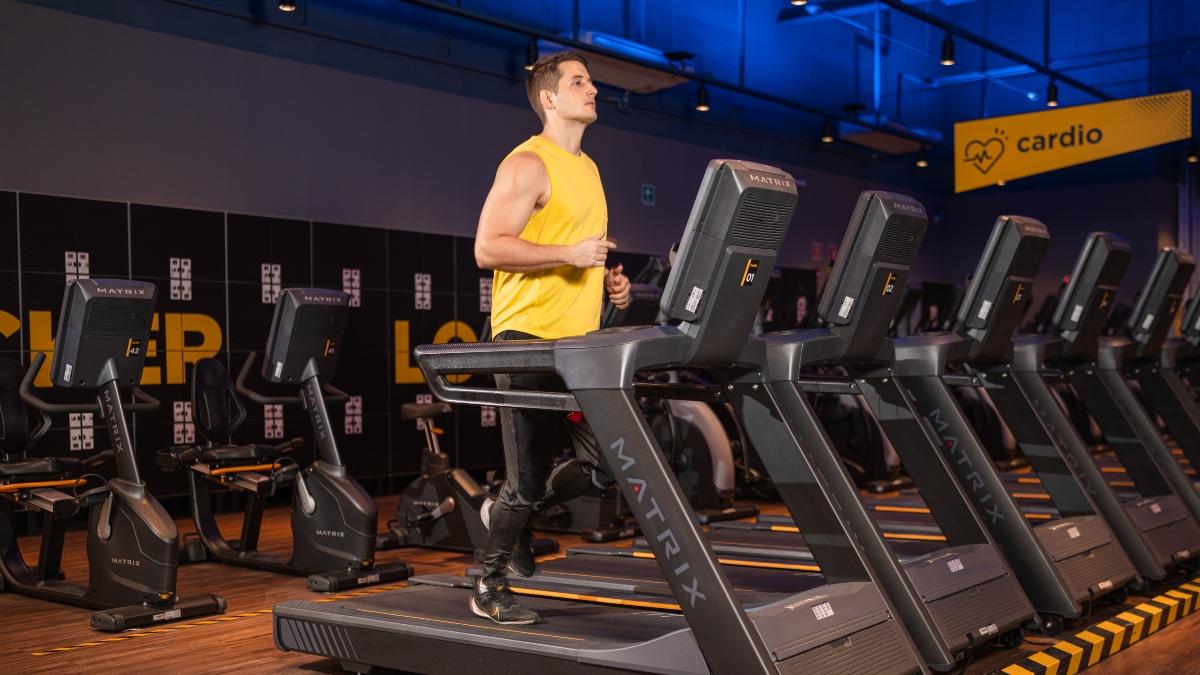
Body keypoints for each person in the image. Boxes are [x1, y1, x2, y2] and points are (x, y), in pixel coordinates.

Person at [470, 50, 631, 625]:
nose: (593, 89)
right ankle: (488, 586)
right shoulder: (526, 164)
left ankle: (501, 511)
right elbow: (488, 247)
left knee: (605, 465)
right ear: (549, 98)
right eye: (580, 82)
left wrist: (610, 281)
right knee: (529, 478)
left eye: (591, 81)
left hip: (578, 345)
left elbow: (579, 251)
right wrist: (569, 253)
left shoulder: (587, 169)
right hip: (526, 339)